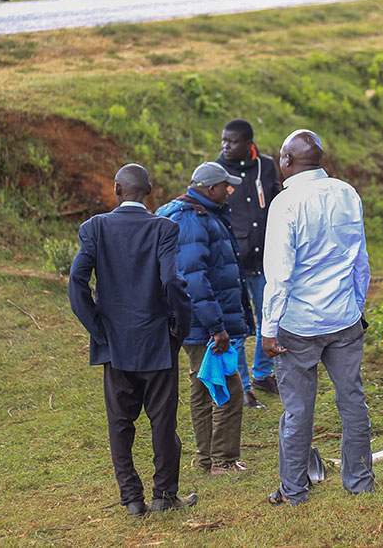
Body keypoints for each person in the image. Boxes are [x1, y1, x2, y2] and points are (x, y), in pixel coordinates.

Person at [68, 164, 197, 518]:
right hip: (157, 340)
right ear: (150, 191)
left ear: (117, 189)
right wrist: (179, 326)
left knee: (120, 424)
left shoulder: (95, 228)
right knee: (163, 422)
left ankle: (132, 500)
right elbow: (172, 280)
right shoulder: (164, 228)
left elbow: (77, 281)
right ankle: (164, 496)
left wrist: (97, 328)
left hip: (115, 344)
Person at [262, 130, 373, 506]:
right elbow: (360, 259)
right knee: (352, 400)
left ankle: (294, 491)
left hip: (299, 324)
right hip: (344, 318)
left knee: (297, 409)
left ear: (286, 161)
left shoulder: (285, 203)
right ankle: (359, 481)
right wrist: (357, 306)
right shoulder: (347, 193)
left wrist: (268, 327)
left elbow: (279, 272)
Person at [155, 161, 253, 475]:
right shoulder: (194, 221)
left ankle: (207, 460)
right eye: (226, 186)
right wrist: (216, 326)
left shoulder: (198, 214)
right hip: (202, 323)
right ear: (210, 188)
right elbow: (194, 280)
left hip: (195, 321)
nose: (230, 190)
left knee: (202, 385)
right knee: (227, 385)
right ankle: (222, 462)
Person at [214, 119, 282, 409]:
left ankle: (263, 374)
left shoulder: (266, 166)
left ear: (248, 143)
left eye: (231, 142)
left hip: (266, 256)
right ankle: (241, 387)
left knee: (270, 316)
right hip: (234, 260)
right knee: (240, 326)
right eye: (223, 141)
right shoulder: (217, 171)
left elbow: (277, 201)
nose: (224, 147)